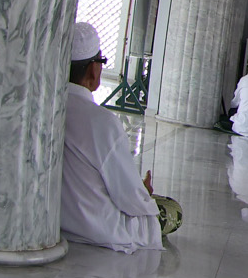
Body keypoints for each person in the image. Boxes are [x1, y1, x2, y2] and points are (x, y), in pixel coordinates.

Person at [61, 24, 180, 253]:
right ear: (93, 71)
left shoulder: (45, 110)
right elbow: (129, 199)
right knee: (173, 211)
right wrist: (143, 193)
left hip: (58, 222)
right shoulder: (101, 122)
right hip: (100, 229)